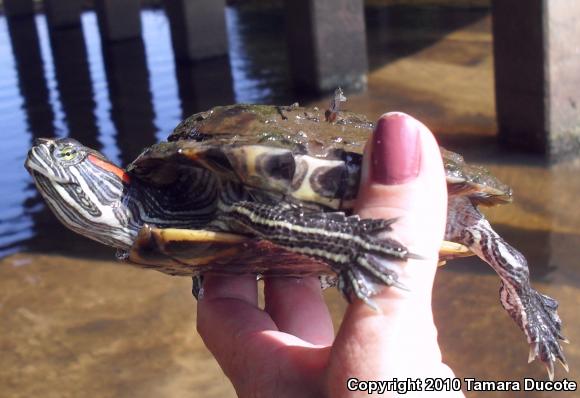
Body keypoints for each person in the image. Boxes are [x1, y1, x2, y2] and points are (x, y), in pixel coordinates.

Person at [196, 113, 466, 397]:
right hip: (275, 229)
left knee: (241, 215)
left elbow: (241, 212)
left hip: (267, 217)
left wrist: (351, 242)